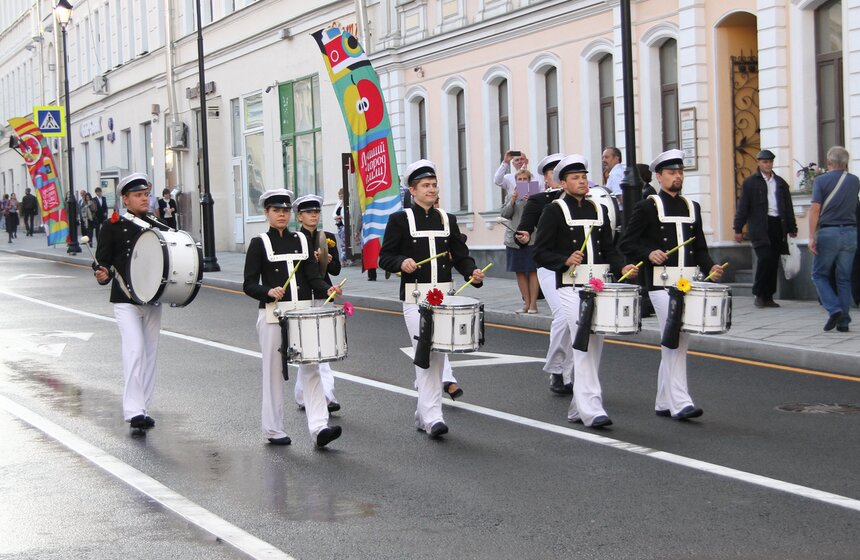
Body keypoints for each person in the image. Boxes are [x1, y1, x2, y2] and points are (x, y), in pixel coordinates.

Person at [379, 159, 485, 439]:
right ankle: (433, 417)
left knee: (439, 355)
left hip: (445, 299)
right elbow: (385, 258)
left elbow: (460, 255)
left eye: (434, 185)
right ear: (412, 191)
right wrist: (401, 262)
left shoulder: (446, 219)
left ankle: (423, 413)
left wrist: (471, 272)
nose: (431, 189)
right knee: (426, 355)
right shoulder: (399, 220)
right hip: (416, 299)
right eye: (425, 185)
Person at [533, 155, 639, 428]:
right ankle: (592, 408)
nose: (581, 182)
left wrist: (623, 265)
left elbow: (609, 248)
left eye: (583, 177)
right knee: (584, 342)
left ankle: (578, 409)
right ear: (563, 183)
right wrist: (564, 261)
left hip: (598, 286)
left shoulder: (597, 209)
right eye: (575, 178)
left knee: (595, 344)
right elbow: (541, 252)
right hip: (570, 287)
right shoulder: (554, 211)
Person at [619, 149, 724, 420]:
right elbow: (627, 242)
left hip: (688, 283)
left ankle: (664, 401)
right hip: (660, 283)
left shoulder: (692, 207)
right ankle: (681, 402)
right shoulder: (647, 206)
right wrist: (649, 253)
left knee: (677, 341)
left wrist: (710, 265)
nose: (677, 177)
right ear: (658, 176)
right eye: (671, 173)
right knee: (676, 339)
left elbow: (699, 247)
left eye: (680, 172)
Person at [243, 189, 343, 447]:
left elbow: (313, 276)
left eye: (285, 211)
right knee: (273, 373)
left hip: (303, 314)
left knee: (312, 368)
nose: (282, 215)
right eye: (276, 211)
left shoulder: (301, 240)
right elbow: (248, 284)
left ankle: (320, 427)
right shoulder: (259, 243)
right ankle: (274, 429)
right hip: (273, 316)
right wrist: (267, 291)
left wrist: (327, 289)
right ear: (267, 212)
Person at [93, 173, 170, 434]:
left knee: (150, 354)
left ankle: (142, 408)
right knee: (134, 351)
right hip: (125, 299)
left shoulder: (158, 225)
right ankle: (133, 410)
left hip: (153, 299)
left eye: (146, 194)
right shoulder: (112, 226)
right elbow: (102, 263)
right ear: (125, 199)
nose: (144, 198)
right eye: (138, 195)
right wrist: (102, 274)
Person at [513, 153, 574, 394]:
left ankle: (569, 372)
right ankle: (558, 369)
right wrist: (525, 236)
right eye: (553, 173)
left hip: (580, 269)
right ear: (548, 177)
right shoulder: (539, 201)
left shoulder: (585, 201)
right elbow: (523, 231)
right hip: (550, 266)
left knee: (578, 320)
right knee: (564, 315)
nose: (558, 177)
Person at [291, 193, 343, 413]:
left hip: (324, 294)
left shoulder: (328, 237)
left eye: (317, 212)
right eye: (309, 212)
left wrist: (327, 261)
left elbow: (336, 270)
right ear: (300, 216)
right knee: (307, 350)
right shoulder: (294, 239)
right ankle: (305, 395)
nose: (314, 215)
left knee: (323, 348)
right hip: (303, 296)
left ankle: (326, 395)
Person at [733, 150, 798, 308]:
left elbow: (788, 207)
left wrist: (792, 227)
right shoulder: (750, 183)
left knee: (773, 261)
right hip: (760, 226)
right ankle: (759, 293)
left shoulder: (780, 183)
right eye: (764, 162)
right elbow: (743, 208)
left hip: (777, 225)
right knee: (765, 259)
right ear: (759, 163)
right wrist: (738, 228)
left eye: (769, 162)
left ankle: (768, 296)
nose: (767, 164)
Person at [808, 146, 860, 332]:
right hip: (850, 233)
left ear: (829, 163)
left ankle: (834, 309)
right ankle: (843, 322)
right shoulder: (854, 181)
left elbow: (815, 209)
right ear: (845, 163)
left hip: (829, 233)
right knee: (844, 278)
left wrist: (811, 236)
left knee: (819, 274)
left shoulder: (821, 181)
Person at [502, 168, 539, 314]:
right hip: (514, 238)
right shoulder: (511, 195)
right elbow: (505, 214)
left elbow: (541, 215)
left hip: (532, 238)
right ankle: (526, 303)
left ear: (530, 181)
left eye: (525, 179)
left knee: (533, 270)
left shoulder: (536, 195)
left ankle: (533, 304)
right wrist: (512, 200)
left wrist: (531, 201)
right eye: (520, 179)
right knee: (519, 271)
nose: (522, 182)